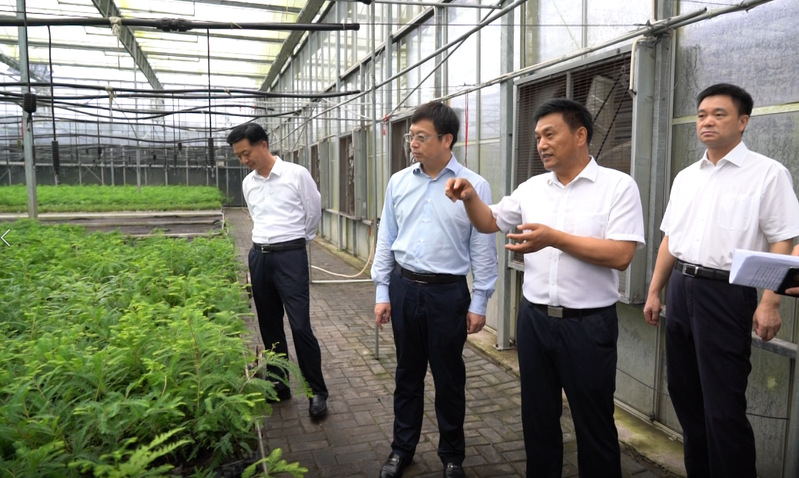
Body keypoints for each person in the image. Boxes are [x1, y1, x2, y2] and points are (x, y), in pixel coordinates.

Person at [445, 98, 644, 478]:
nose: (541, 144)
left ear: (580, 135)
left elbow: (621, 255)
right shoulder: (533, 188)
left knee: (594, 423)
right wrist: (470, 197)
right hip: (535, 320)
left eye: (550, 134)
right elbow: (489, 222)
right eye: (538, 137)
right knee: (538, 420)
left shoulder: (617, 186)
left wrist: (554, 238)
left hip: (588, 325)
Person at [643, 83, 799, 477]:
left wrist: (771, 301)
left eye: (719, 114)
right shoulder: (686, 177)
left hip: (727, 294)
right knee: (685, 396)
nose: (707, 122)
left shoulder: (767, 173)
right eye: (701, 115)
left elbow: (783, 240)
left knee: (723, 405)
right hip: (682, 286)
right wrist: (655, 290)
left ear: (743, 121)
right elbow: (670, 239)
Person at [371, 101, 498, 478]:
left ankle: (452, 456)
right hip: (404, 287)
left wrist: (480, 299)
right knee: (407, 375)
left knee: (449, 378)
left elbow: (482, 247)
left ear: (447, 139)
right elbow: (386, 237)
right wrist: (382, 291)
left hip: (447, 294)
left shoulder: (473, 186)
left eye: (421, 137)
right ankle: (401, 449)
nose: (412, 143)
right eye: (411, 136)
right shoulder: (398, 182)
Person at [226, 122, 328, 420]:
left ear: (263, 145)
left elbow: (313, 212)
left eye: (246, 153)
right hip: (259, 256)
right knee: (269, 325)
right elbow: (255, 216)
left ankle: (316, 391)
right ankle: (279, 384)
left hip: (290, 257)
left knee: (300, 325)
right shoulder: (249, 183)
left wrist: (295, 242)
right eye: (238, 156)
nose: (244, 160)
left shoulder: (296, 174)